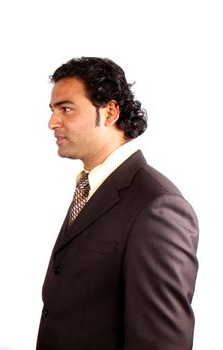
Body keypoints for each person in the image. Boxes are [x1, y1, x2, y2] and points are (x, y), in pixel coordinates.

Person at [37, 57, 198, 350]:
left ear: (109, 112)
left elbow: (162, 342)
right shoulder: (90, 186)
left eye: (66, 109)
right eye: (52, 110)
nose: (52, 122)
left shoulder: (158, 206)